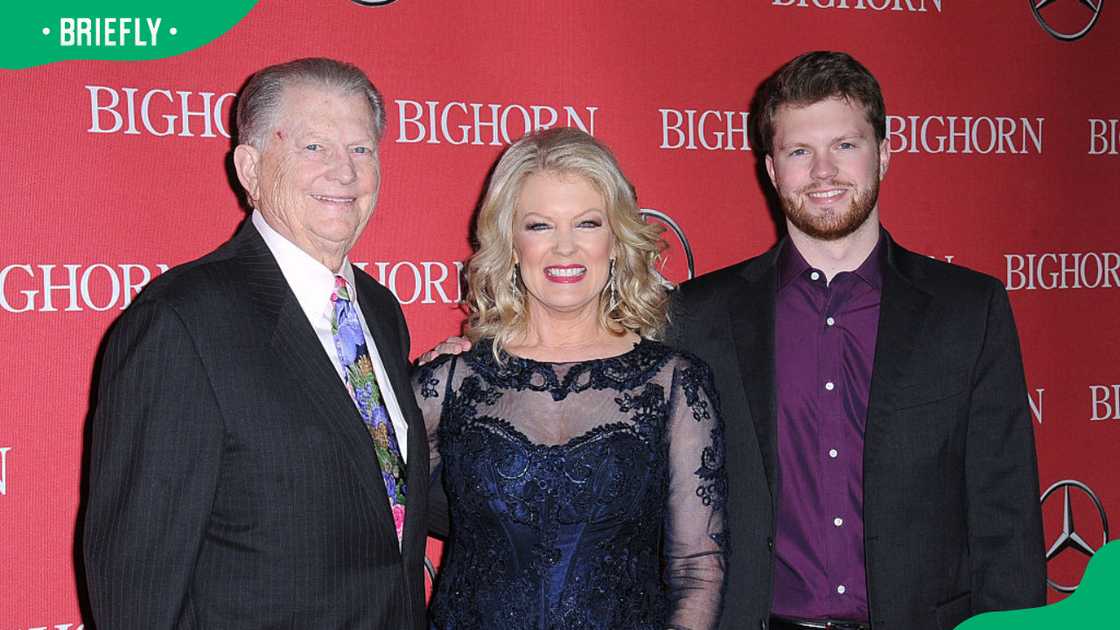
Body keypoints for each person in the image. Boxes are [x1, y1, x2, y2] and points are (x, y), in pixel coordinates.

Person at [669, 51, 1046, 630]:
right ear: (772, 170)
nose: (823, 172)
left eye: (845, 145)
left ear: (884, 154)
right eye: (799, 151)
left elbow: (1007, 514)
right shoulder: (697, 316)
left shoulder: (970, 310)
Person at [83, 58, 429, 629]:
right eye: (314, 147)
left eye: (361, 149)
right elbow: (138, 582)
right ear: (250, 169)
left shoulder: (380, 310)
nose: (345, 172)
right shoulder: (181, 321)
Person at [414, 127, 727, 629]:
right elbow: (370, 525)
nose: (565, 248)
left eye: (587, 223)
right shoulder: (449, 383)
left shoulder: (674, 384)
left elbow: (697, 571)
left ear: (616, 240)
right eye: (539, 226)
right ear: (510, 243)